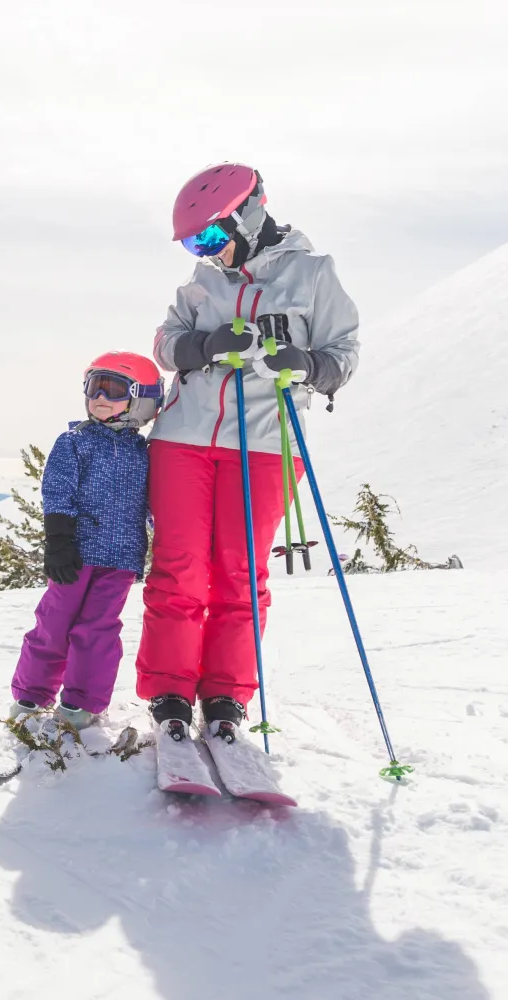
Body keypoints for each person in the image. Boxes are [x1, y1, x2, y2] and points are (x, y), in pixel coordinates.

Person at [140, 164, 359, 745]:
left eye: (210, 236)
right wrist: (204, 344)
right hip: (183, 440)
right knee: (179, 569)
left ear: (249, 214)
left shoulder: (313, 274)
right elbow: (163, 345)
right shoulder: (202, 279)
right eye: (193, 242)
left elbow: (344, 350)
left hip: (265, 444)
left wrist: (309, 366)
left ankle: (225, 695)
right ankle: (168, 694)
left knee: (240, 575)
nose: (206, 251)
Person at [6, 353, 161, 733]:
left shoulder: (145, 453)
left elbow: (155, 501)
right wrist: (58, 540)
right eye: (95, 388)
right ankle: (32, 694)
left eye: (114, 389)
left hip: (122, 556)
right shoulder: (75, 442)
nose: (100, 397)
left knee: (98, 630)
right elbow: (57, 490)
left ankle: (81, 703)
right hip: (77, 552)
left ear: (141, 401)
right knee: (53, 623)